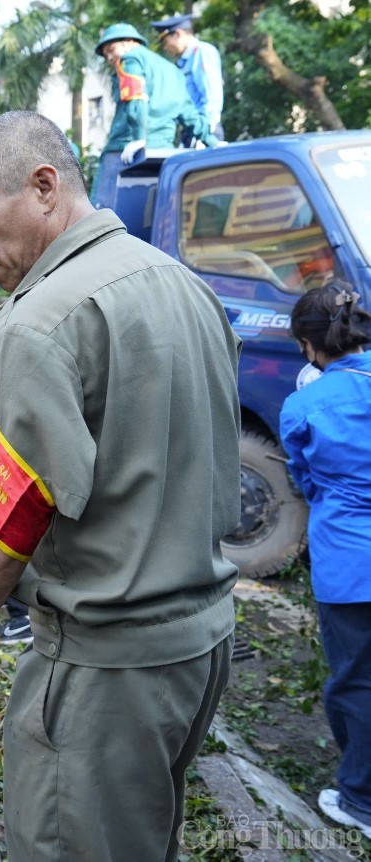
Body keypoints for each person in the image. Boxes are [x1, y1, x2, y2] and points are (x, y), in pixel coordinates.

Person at [0, 111, 242, 861]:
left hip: (105, 665)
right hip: (198, 645)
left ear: (43, 187)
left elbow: (9, 526)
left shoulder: (43, 317)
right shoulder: (180, 284)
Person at [279, 283, 371, 840]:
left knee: (356, 680)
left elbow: (304, 479)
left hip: (349, 561)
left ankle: (360, 799)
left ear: (308, 346)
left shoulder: (304, 405)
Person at [92, 23, 219, 205]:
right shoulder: (172, 71)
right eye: (106, 55)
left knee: (102, 217)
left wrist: (138, 138)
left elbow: (136, 98)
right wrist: (212, 140)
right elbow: (189, 113)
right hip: (161, 153)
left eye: (111, 50)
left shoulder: (131, 60)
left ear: (129, 42)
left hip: (125, 151)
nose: (110, 57)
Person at [152, 13, 224, 143]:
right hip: (192, 129)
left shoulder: (202, 52)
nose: (165, 48)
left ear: (178, 34)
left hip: (204, 129)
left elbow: (211, 93)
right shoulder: (183, 62)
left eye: (166, 42)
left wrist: (207, 130)